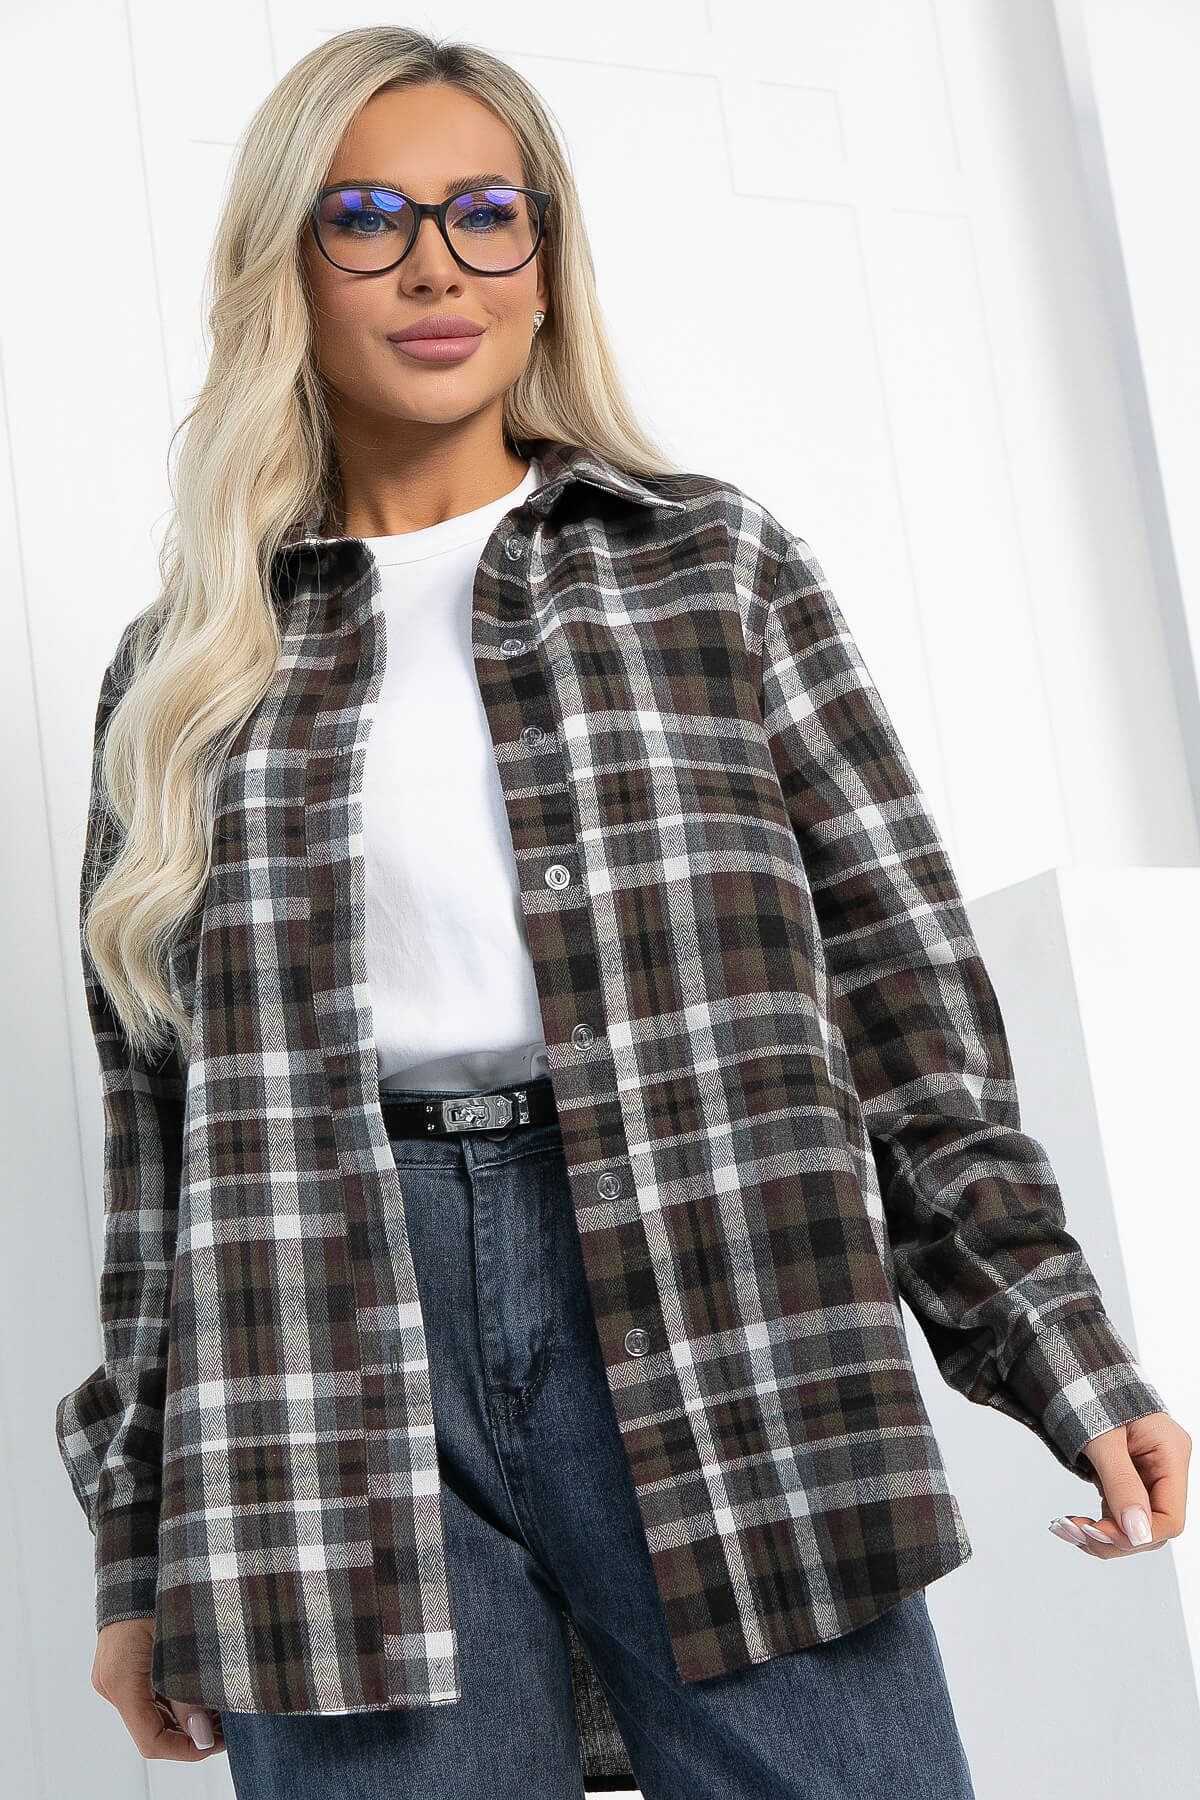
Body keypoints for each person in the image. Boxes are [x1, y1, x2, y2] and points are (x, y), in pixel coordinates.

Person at [54, 23, 1190, 1800]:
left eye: (485, 212)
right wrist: (134, 1550)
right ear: (288, 266)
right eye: (367, 218)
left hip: (717, 1274)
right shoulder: (184, 673)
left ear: (544, 253)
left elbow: (907, 1013)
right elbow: (157, 1153)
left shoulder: (711, 568)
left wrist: (1061, 1348)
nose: (437, 265)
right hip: (317, 1357)